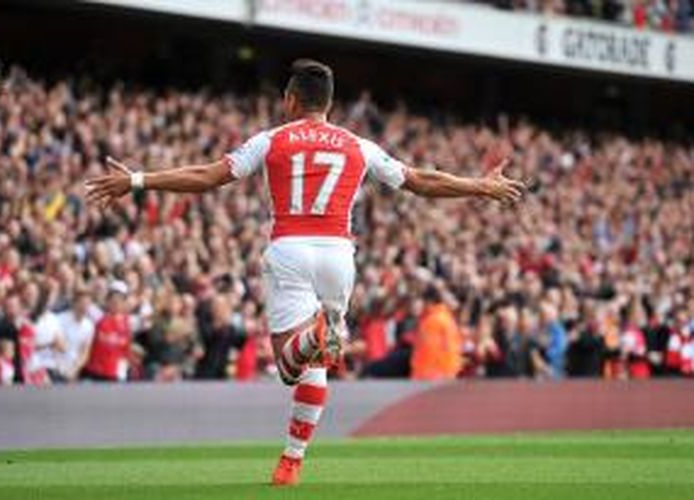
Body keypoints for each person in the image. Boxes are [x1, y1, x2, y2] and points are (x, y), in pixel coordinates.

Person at [85, 59, 526, 486]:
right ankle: (291, 461)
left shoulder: (272, 139)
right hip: (339, 255)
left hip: (291, 249)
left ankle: (315, 336)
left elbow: (208, 176)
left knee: (290, 365)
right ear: (328, 105)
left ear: (291, 100)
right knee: (317, 369)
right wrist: (480, 186)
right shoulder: (358, 145)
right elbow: (419, 181)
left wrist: (139, 181)